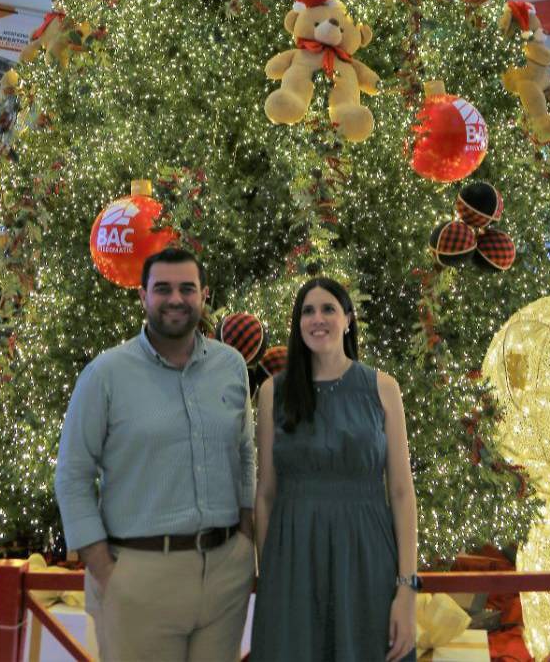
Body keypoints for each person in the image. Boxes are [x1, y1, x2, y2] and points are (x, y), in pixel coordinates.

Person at [55, 247, 255, 662]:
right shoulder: (106, 374)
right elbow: (74, 475)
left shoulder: (231, 365)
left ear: (204, 296)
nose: (176, 299)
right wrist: (104, 569)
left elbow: (245, 453)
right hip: (138, 572)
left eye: (187, 288)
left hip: (224, 574)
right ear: (143, 296)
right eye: (162, 288)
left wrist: (246, 537)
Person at [251, 277, 418, 662]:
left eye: (328, 309)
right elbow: (266, 493)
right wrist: (270, 576)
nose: (317, 318)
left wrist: (407, 588)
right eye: (307, 311)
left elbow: (401, 492)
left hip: (367, 557)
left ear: (348, 319)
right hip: (292, 560)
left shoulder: (383, 388)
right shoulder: (273, 393)